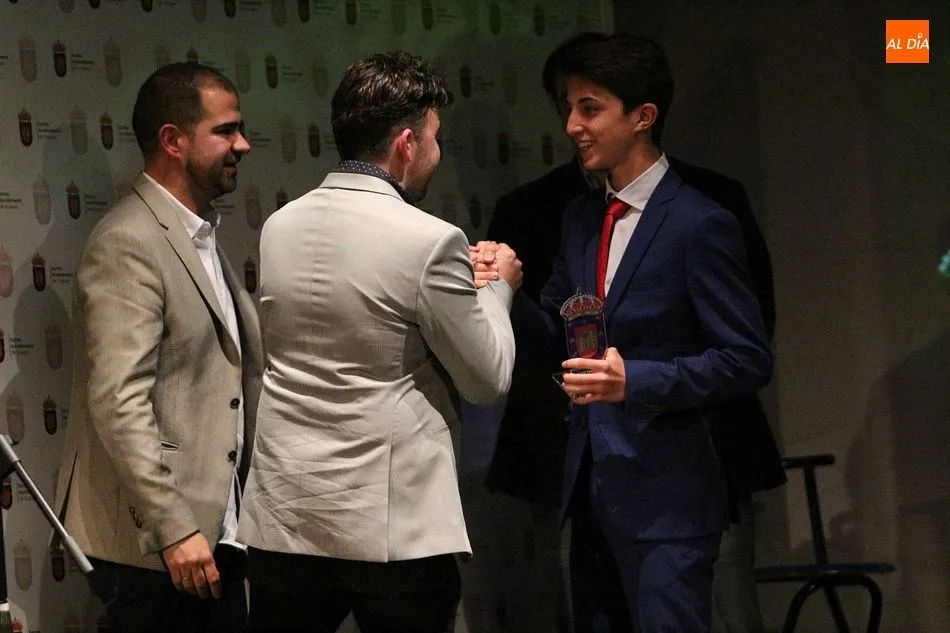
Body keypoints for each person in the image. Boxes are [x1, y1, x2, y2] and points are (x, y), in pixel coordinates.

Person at [485, 32, 786, 633]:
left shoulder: (700, 220)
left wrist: (636, 380)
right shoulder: (580, 218)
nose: (572, 125)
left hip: (670, 495)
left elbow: (748, 358)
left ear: (643, 116)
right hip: (590, 488)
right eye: (568, 108)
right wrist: (505, 290)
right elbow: (558, 341)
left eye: (590, 108)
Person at [237, 51, 521, 633]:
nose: (438, 153)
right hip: (390, 526)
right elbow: (487, 378)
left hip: (284, 516)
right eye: (435, 138)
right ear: (407, 145)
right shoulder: (431, 240)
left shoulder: (279, 226)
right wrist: (497, 286)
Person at [53, 62, 262, 633]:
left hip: (210, 536)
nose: (242, 145)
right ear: (173, 140)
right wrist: (174, 527)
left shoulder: (198, 234)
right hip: (155, 549)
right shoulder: (129, 240)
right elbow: (119, 400)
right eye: (225, 130)